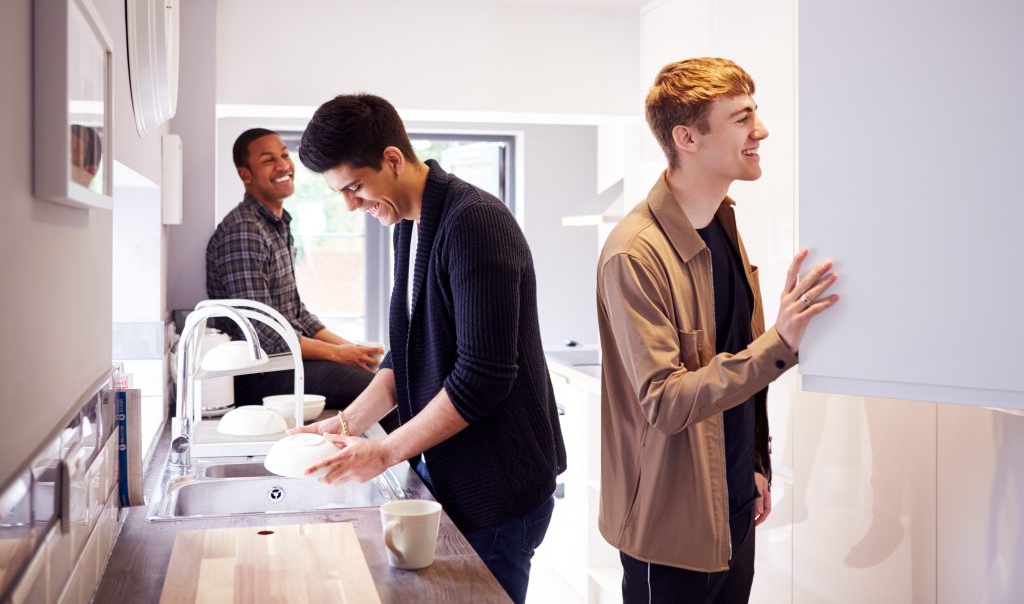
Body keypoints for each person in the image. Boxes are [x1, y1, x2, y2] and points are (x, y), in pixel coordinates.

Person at [291, 94, 566, 604]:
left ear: (393, 159)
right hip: (450, 478)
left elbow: (482, 377)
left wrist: (385, 452)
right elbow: (407, 355)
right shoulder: (412, 228)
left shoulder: (474, 223)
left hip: (497, 488)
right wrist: (345, 425)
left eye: (355, 186)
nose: (350, 204)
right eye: (340, 192)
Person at [597, 57, 840, 603]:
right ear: (687, 137)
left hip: (730, 499)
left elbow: (730, 356)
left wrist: (753, 463)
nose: (762, 130)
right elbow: (665, 401)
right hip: (669, 526)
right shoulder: (634, 253)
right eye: (742, 117)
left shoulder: (723, 222)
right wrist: (780, 342)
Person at [206, 128, 386, 414]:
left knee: (381, 374)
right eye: (268, 160)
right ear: (245, 175)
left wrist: (353, 349)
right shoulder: (244, 230)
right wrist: (339, 354)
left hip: (285, 361)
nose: (283, 166)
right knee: (377, 390)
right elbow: (263, 334)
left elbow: (297, 313)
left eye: (284, 155)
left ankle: (401, 458)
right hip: (258, 374)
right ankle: (405, 458)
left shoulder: (275, 224)